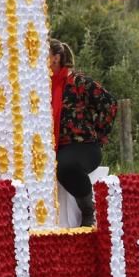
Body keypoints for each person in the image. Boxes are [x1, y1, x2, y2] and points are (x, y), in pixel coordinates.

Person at [50, 38, 117, 227]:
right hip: (57, 147)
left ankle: (88, 209)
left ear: (55, 58)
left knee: (64, 166)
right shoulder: (41, 87)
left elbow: (109, 104)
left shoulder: (78, 81)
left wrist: (99, 133)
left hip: (84, 146)